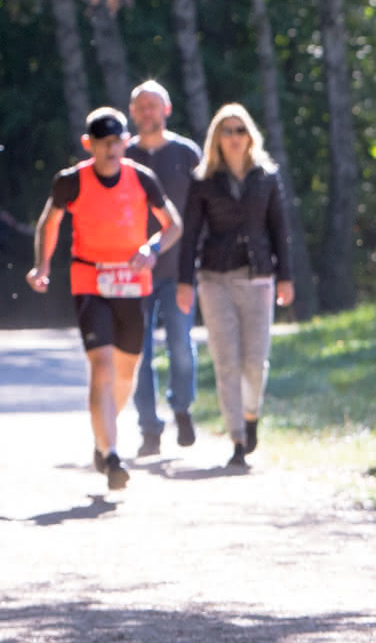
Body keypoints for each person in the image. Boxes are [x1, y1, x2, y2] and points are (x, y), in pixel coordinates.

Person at [26, 107, 184, 491]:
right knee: (102, 366)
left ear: (127, 142)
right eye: (104, 143)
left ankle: (104, 435)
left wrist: (151, 248)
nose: (112, 150)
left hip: (131, 281)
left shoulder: (142, 179)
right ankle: (111, 453)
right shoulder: (71, 182)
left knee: (127, 371)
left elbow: (173, 225)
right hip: (89, 278)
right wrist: (42, 266)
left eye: (118, 142)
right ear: (89, 145)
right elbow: (50, 222)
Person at [178, 103, 295, 469]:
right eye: (227, 131)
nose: (233, 138)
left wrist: (286, 276)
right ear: (217, 138)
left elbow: (279, 228)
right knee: (226, 361)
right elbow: (191, 233)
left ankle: (250, 415)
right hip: (215, 279)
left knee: (254, 362)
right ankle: (238, 440)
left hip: (258, 276)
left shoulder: (267, 176)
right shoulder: (203, 181)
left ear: (250, 136)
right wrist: (184, 281)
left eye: (239, 130)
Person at [126, 80, 203, 457]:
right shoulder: (121, 157)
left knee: (181, 347)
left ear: (166, 110)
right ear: (132, 112)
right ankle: (149, 429)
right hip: (130, 273)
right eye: (141, 106)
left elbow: (204, 210)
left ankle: (182, 408)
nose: (147, 112)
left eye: (153, 105)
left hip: (179, 269)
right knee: (137, 354)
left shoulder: (187, 154)